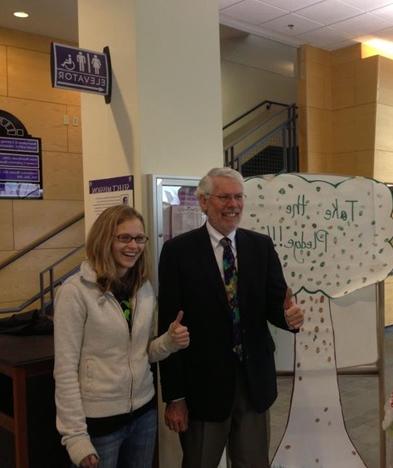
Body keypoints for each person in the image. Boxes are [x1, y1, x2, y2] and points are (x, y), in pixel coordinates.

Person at [158, 167, 304, 468]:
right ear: (203, 202)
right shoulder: (177, 252)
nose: (233, 204)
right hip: (203, 390)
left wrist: (288, 318)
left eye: (238, 197)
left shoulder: (260, 246)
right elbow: (169, 328)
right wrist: (175, 397)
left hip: (253, 384)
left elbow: (274, 305)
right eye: (224, 197)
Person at [54, 205, 189, 468]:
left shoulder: (143, 288)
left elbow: (145, 351)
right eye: (124, 238)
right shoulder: (75, 292)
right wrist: (75, 437)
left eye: (139, 238)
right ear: (105, 240)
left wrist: (169, 342)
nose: (133, 246)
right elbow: (65, 370)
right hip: (99, 424)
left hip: (143, 415)